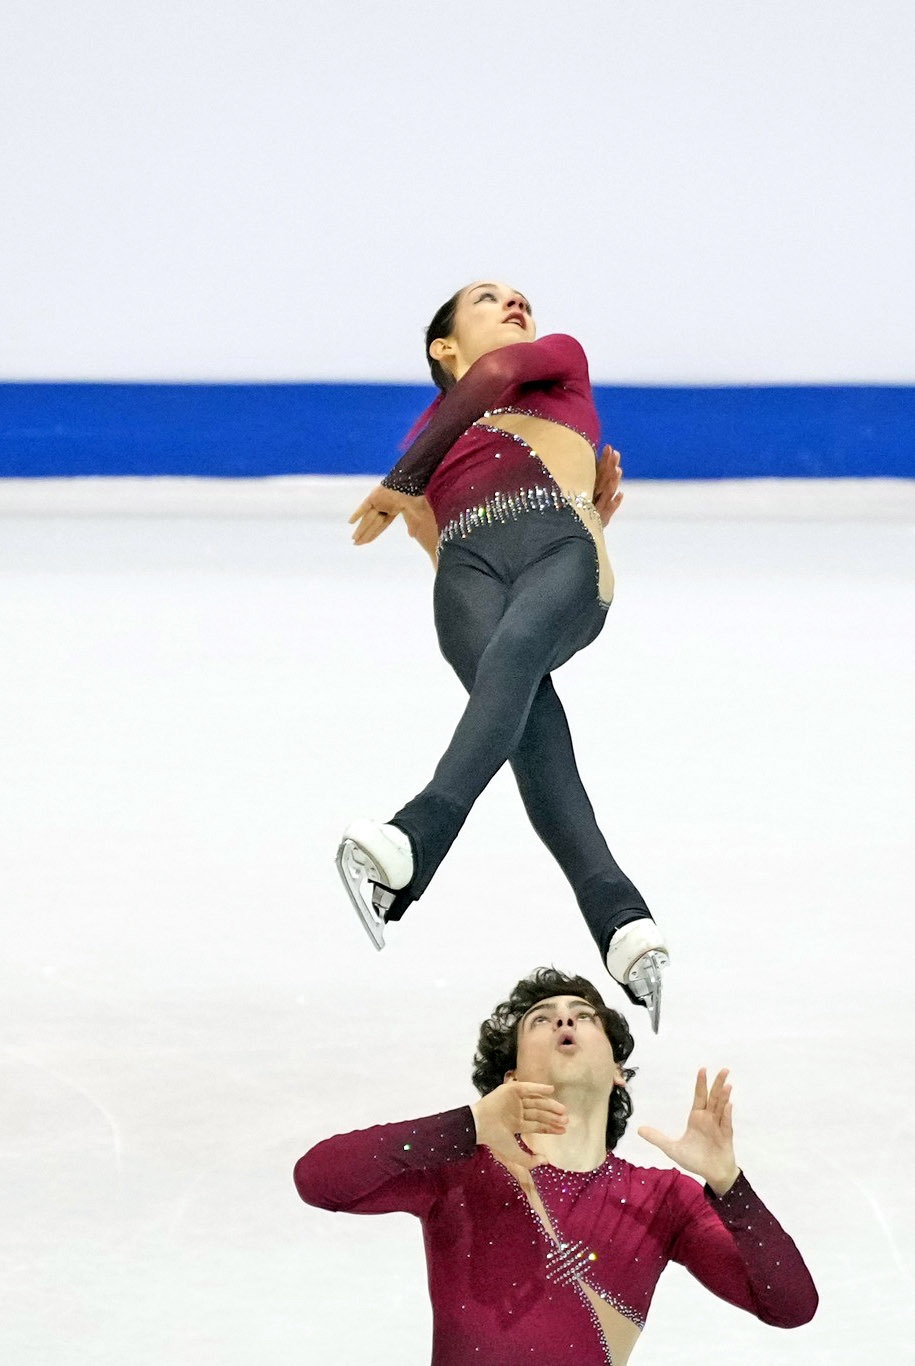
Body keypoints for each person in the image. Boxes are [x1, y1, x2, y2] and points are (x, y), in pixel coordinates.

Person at [336, 280, 669, 1027]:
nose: (513, 304)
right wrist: (417, 495)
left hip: (558, 547)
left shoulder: (553, 362)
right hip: (465, 576)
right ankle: (622, 922)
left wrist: (402, 477)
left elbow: (490, 380)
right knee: (527, 730)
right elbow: (430, 536)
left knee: (517, 653)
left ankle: (415, 839)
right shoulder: (429, 428)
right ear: (442, 345)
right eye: (486, 300)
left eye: (520, 298)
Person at [294, 967, 818, 1364]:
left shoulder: (663, 1200)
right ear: (511, 1076)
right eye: (540, 1020)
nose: (565, 1020)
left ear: (618, 1070)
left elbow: (791, 1306)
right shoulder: (458, 1170)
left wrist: (729, 1186)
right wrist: (467, 1125)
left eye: (584, 1016)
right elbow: (317, 1180)